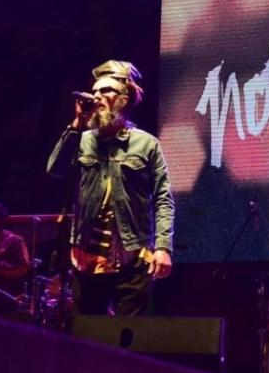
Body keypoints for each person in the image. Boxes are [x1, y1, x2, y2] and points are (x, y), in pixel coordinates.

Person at [46, 60, 175, 316]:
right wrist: (76, 124)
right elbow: (55, 169)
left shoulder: (146, 144)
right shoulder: (82, 140)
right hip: (87, 258)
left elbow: (163, 199)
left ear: (124, 99)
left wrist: (162, 247)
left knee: (127, 334)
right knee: (87, 334)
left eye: (106, 91)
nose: (96, 96)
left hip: (133, 257)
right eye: (94, 91)